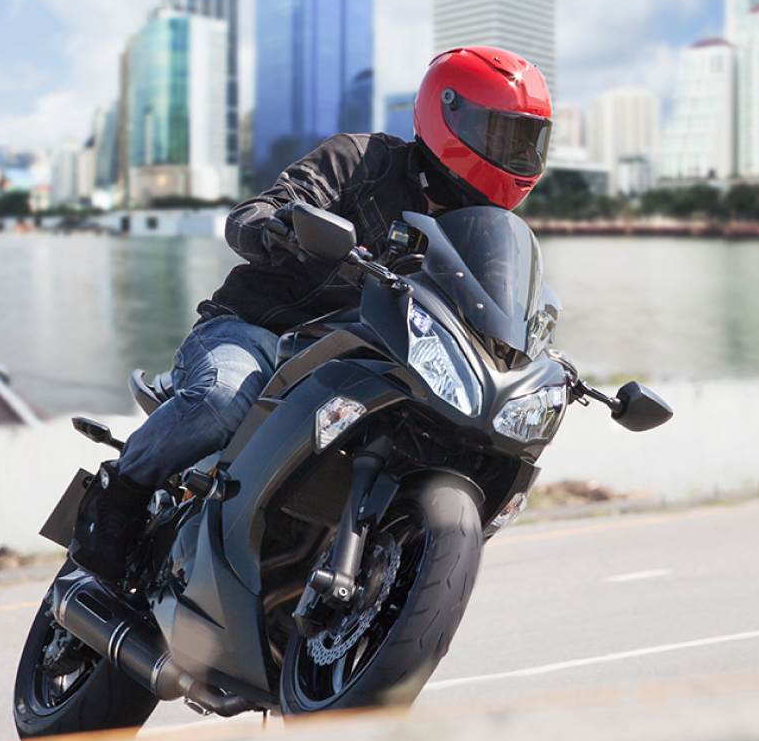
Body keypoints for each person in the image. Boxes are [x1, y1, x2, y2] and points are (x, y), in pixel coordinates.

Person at [69, 46, 553, 585]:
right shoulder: (362, 160)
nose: (514, 154)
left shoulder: (483, 240)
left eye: (525, 141)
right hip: (257, 333)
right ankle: (119, 494)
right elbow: (255, 212)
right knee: (222, 398)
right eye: (502, 135)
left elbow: (498, 315)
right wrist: (277, 225)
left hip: (361, 365)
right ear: (449, 114)